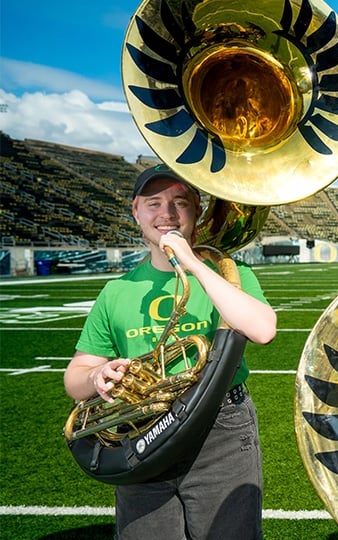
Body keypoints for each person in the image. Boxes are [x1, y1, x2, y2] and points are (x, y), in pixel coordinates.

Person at [64, 164, 277, 539]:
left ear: (196, 212)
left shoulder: (229, 272)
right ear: (136, 211)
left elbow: (262, 330)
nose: (167, 214)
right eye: (154, 203)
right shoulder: (116, 291)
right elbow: (75, 378)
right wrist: (97, 376)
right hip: (140, 431)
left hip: (220, 427)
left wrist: (192, 261)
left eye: (180, 202)